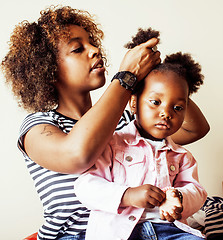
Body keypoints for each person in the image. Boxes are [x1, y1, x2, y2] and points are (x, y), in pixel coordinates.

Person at [0, 5, 209, 240]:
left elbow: (195, 128)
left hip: (134, 230)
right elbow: (77, 156)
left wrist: (163, 77)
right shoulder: (39, 126)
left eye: (92, 42)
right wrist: (127, 76)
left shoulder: (128, 120)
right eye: (78, 48)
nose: (95, 50)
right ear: (48, 69)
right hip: (72, 235)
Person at [74, 29, 208, 240]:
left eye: (178, 107)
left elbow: (198, 192)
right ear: (134, 103)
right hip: (119, 231)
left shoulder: (182, 156)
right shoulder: (113, 143)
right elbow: (85, 187)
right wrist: (127, 195)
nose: (166, 112)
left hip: (169, 230)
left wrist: (180, 197)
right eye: (155, 102)